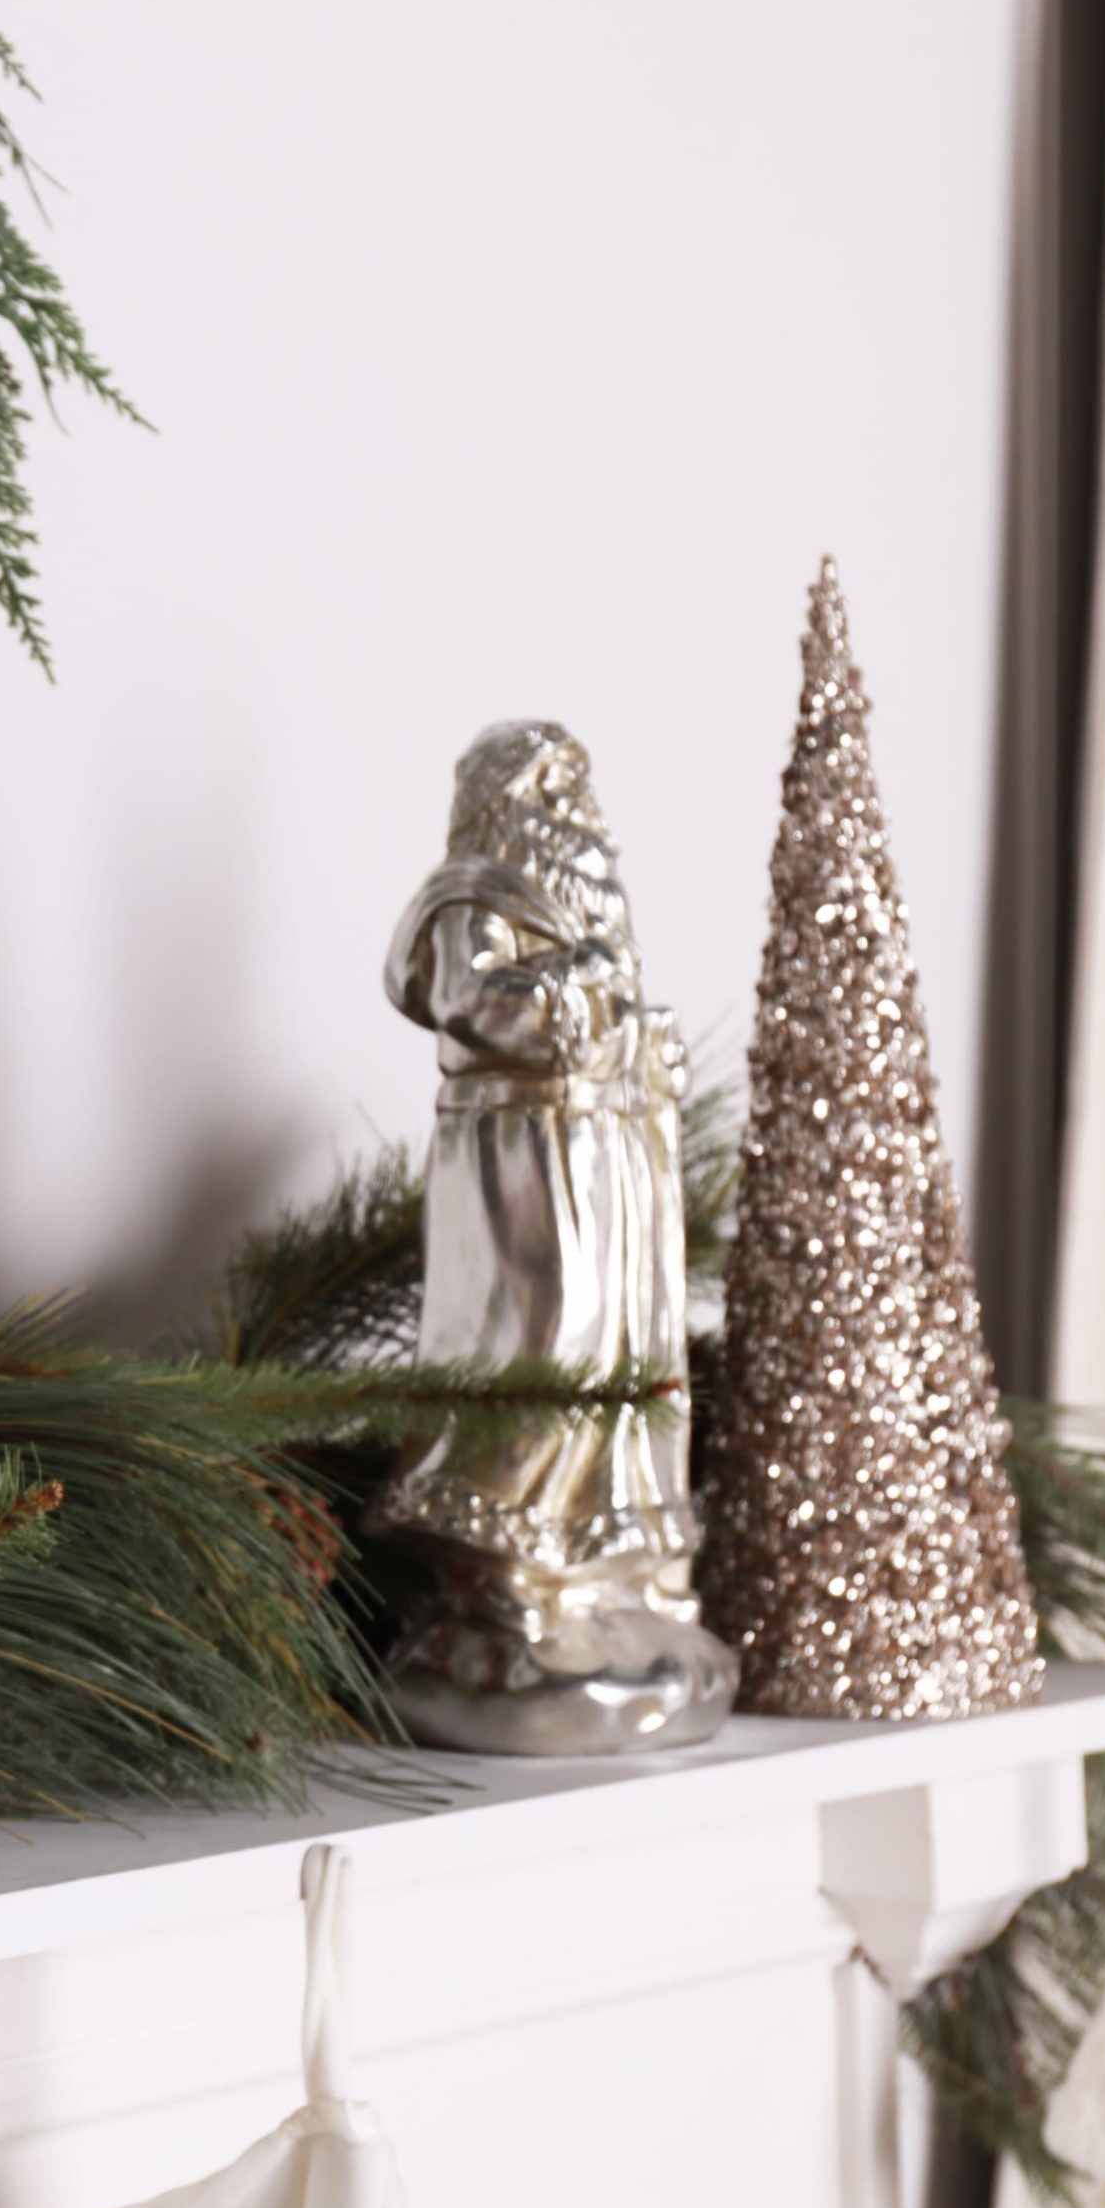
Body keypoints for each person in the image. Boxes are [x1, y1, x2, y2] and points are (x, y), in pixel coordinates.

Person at [373, 720, 736, 1754]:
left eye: (574, 785)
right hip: (519, 1150)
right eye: (552, 784)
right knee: (544, 1343)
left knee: (621, 1345)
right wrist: (563, 992)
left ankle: (599, 1567)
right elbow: (466, 998)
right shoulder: (474, 893)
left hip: (603, 1150)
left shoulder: (575, 893)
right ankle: (502, 1569)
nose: (571, 805)